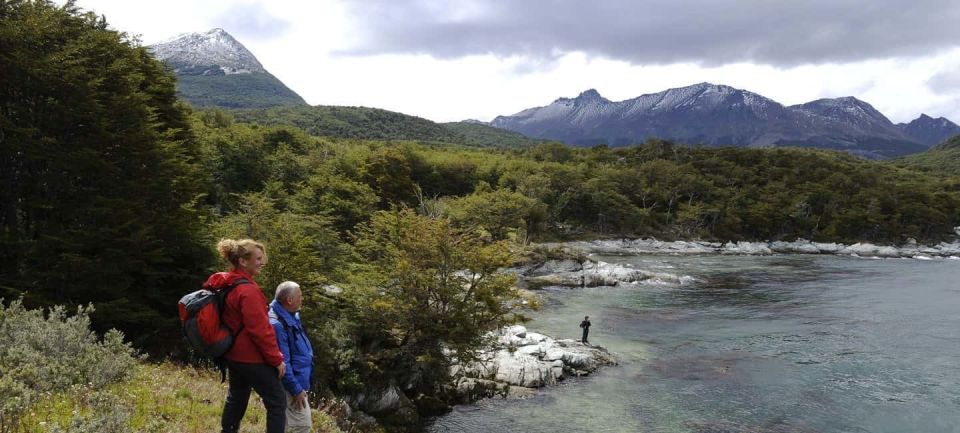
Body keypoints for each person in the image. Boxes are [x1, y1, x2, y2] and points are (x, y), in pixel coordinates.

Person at [208, 239, 287, 433]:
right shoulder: (248, 291)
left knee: (237, 396)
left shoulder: (228, 283)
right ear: (243, 261)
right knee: (277, 402)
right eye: (258, 258)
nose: (263, 262)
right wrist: (276, 360)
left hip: (233, 354)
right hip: (251, 357)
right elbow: (260, 330)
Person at [269, 281, 315, 433]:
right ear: (289, 300)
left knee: (285, 425)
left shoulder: (291, 316)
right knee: (301, 426)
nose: (302, 299)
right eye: (300, 296)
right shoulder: (277, 324)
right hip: (289, 385)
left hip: (296, 381)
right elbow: (283, 361)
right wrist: (295, 389)